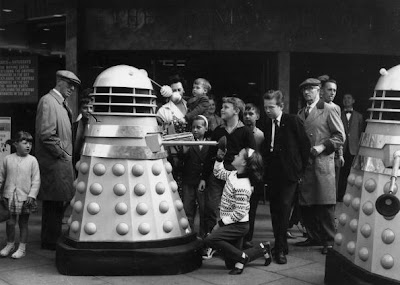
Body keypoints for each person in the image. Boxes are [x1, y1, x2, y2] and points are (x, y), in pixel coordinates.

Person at [295, 78, 345, 255]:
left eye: (311, 89)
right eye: (304, 90)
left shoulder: (328, 109)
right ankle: (314, 236)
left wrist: (323, 146)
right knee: (307, 204)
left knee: (324, 205)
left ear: (319, 91)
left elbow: (340, 136)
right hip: (306, 165)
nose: (307, 92)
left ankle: (330, 240)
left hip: (322, 163)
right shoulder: (301, 113)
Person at [203, 147, 271, 275]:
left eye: (239, 155)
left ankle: (242, 257)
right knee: (230, 264)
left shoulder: (243, 186)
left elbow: (240, 212)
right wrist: (219, 159)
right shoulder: (234, 174)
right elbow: (219, 173)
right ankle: (263, 248)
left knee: (211, 239)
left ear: (244, 163)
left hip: (238, 225)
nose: (235, 155)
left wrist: (221, 224)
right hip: (232, 222)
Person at [261, 90, 310, 264]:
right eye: (265, 107)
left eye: (271, 107)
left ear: (281, 106)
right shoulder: (267, 124)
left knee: (283, 209)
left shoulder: (292, 121)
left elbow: (305, 147)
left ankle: (280, 248)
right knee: (275, 211)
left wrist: (300, 172)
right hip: (273, 174)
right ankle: (281, 244)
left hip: (290, 175)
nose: (267, 110)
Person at [35, 70, 80, 250]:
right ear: (59, 82)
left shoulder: (59, 103)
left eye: (74, 86)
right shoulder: (49, 101)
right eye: (69, 84)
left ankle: (51, 240)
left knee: (56, 204)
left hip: (59, 163)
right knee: (53, 204)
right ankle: (50, 242)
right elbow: (47, 135)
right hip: (54, 163)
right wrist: (64, 153)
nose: (72, 89)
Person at [200, 97, 256, 238]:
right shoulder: (218, 131)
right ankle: (211, 240)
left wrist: (251, 180)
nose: (222, 109)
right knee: (211, 207)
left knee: (233, 210)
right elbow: (210, 156)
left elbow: (252, 157)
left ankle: (228, 239)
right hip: (217, 173)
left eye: (226, 107)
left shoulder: (246, 132)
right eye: (222, 106)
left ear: (236, 111)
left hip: (236, 176)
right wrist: (204, 178)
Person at [0, 131, 40, 259]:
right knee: (10, 223)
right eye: (25, 143)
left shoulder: (32, 160)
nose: (28, 145)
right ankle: (10, 244)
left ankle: (22, 248)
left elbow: (36, 180)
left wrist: (32, 195)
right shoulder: (7, 159)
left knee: (23, 223)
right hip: (9, 196)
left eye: (30, 143)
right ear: (16, 144)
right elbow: (1, 176)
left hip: (25, 198)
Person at [182, 115, 209, 236]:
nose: (195, 130)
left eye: (199, 127)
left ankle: (204, 236)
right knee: (188, 210)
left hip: (203, 182)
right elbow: (181, 162)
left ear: (206, 128)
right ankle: (189, 234)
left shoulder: (210, 143)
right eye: (193, 127)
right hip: (189, 180)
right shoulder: (188, 143)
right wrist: (184, 151)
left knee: (204, 211)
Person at [242, 103, 264, 249]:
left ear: (257, 116)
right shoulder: (240, 131)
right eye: (245, 114)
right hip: (241, 173)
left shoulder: (260, 135)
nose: (248, 117)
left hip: (255, 173)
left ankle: (248, 237)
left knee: (252, 208)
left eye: (251, 114)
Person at [319, 75, 345, 190]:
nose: (332, 93)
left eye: (334, 90)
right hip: (319, 149)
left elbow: (339, 133)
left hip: (332, 150)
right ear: (322, 91)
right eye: (329, 90)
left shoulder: (336, 108)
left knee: (332, 186)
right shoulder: (317, 106)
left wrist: (340, 154)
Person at [338, 93, 364, 202]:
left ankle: (351, 197)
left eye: (349, 98)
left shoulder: (359, 116)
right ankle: (340, 196)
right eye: (344, 98)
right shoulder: (338, 114)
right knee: (341, 174)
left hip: (354, 150)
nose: (346, 100)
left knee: (353, 174)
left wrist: (360, 150)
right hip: (341, 150)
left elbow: (361, 134)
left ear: (353, 100)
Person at [73, 94, 93, 168]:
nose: (88, 111)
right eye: (85, 108)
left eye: (91, 108)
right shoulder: (74, 127)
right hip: (76, 162)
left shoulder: (99, 127)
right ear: (80, 109)